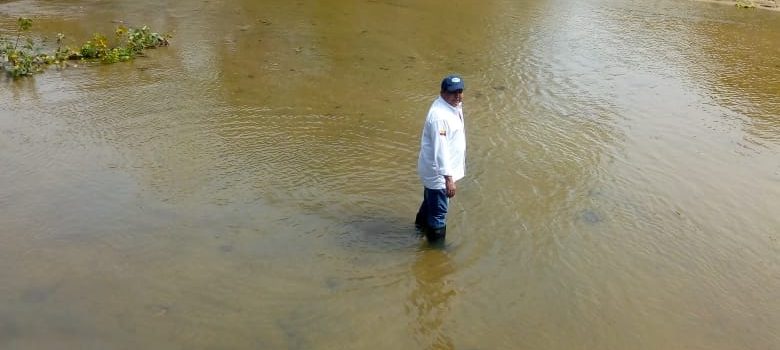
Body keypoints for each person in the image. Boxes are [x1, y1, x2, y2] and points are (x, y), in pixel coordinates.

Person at [415, 74, 466, 243]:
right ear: (443, 93)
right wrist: (448, 179)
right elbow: (440, 149)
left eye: (460, 91)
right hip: (439, 174)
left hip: (435, 170)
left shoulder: (453, 106)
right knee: (439, 213)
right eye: (453, 92)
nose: (457, 96)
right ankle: (435, 252)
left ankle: (418, 229)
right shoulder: (440, 117)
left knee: (430, 202)